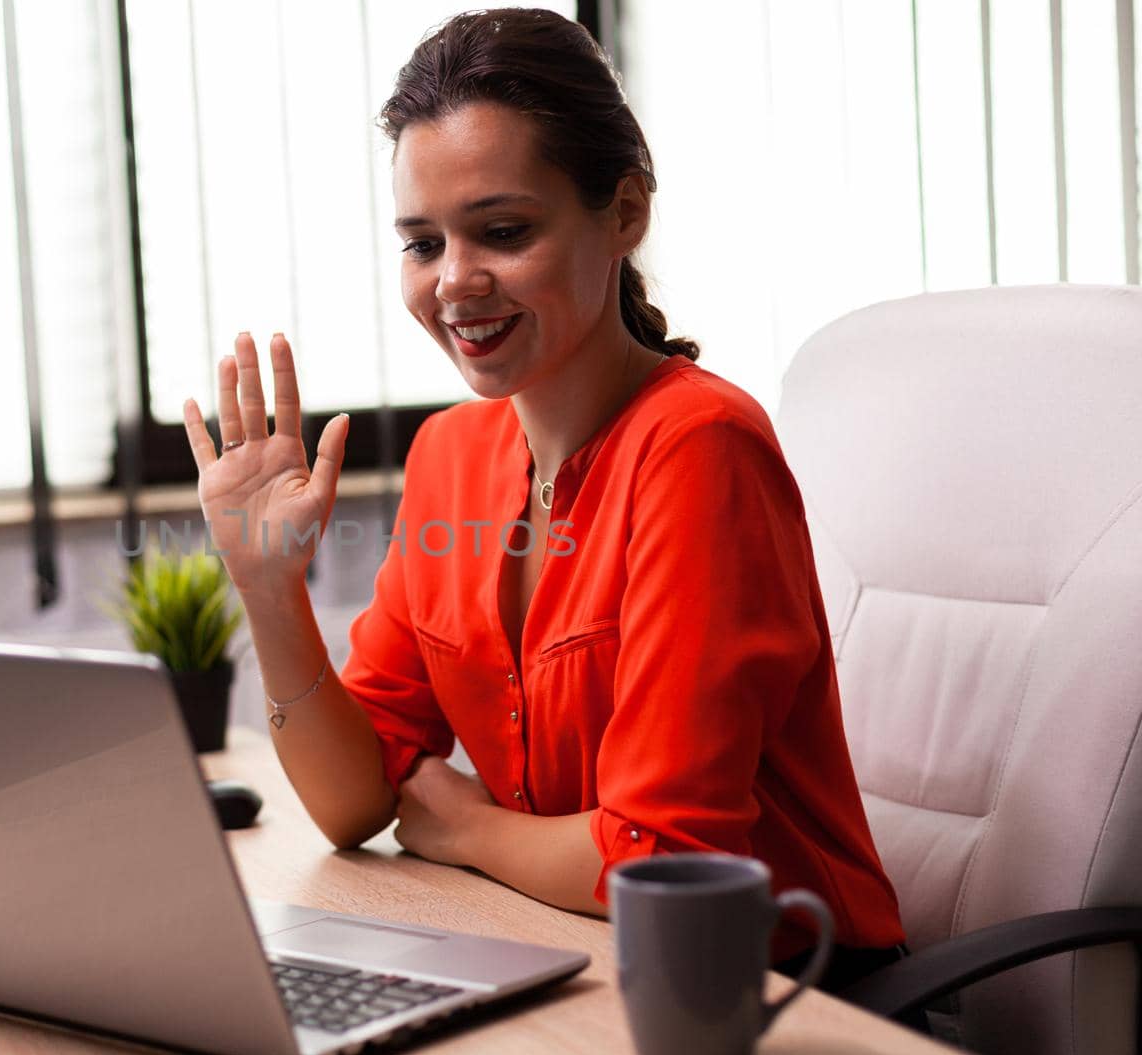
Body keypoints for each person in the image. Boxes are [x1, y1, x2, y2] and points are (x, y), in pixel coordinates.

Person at [181, 8, 904, 979]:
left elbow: (666, 860)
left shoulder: (699, 449)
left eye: (503, 230)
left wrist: (468, 825)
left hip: (773, 989)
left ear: (625, 212)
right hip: (573, 948)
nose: (454, 281)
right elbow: (354, 801)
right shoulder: (450, 454)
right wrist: (268, 587)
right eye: (421, 242)